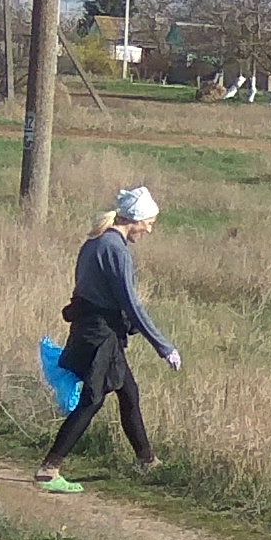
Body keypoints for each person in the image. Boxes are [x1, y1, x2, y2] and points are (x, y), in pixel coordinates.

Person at [35, 186, 176, 494]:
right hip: (101, 337)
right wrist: (164, 347)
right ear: (135, 219)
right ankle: (50, 468)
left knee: (129, 392)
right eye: (149, 222)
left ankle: (147, 461)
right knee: (92, 400)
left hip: (89, 330)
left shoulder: (95, 241)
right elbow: (131, 304)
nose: (149, 229)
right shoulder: (115, 249)